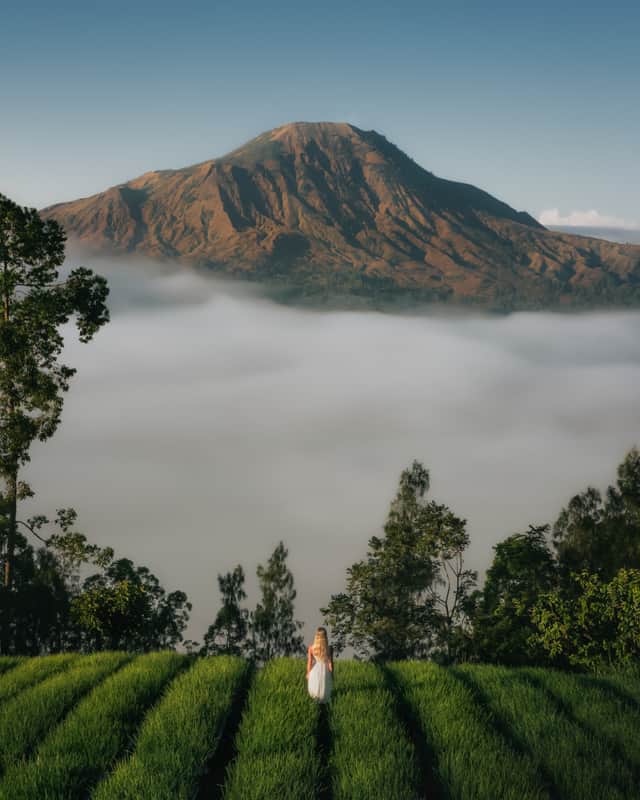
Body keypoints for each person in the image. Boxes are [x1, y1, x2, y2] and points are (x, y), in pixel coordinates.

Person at [306, 626, 333, 703]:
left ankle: (315, 702)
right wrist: (331, 674)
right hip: (325, 670)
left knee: (315, 686)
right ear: (325, 636)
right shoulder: (329, 648)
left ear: (316, 636)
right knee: (324, 686)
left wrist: (308, 673)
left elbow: (309, 662)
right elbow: (330, 663)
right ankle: (323, 702)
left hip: (315, 670)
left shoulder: (311, 648)